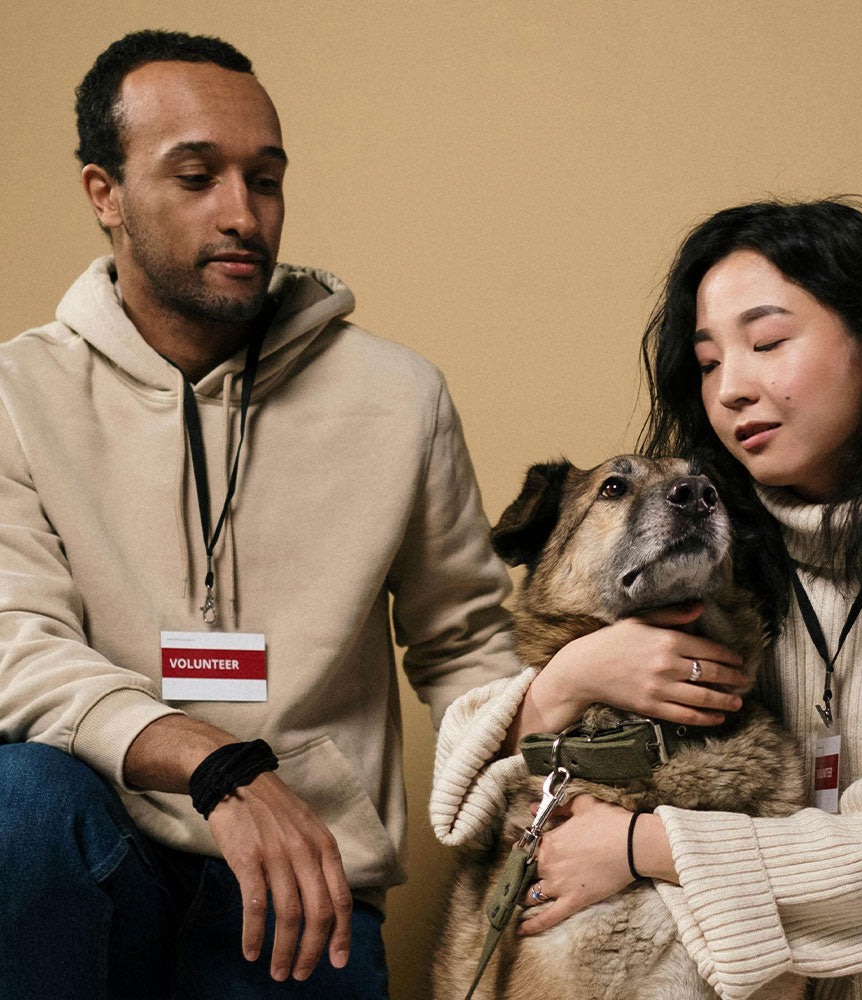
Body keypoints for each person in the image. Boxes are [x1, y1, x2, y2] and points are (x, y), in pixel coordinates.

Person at [0, 29, 524, 999]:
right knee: (18, 798)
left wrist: (554, 824)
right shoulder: (16, 395)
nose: (242, 214)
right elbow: (14, 648)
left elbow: (463, 647)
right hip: (104, 854)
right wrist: (215, 763)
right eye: (196, 177)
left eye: (265, 179)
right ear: (102, 194)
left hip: (301, 883)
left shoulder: (397, 398)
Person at [431, 199, 862, 999]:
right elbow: (459, 781)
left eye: (767, 343)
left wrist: (638, 845)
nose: (730, 389)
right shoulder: (723, 564)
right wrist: (573, 678)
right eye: (706, 362)